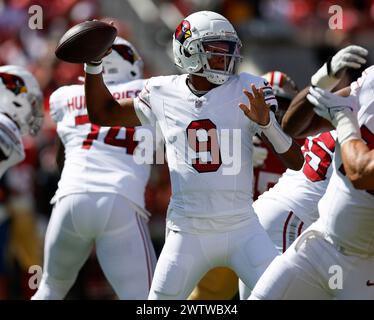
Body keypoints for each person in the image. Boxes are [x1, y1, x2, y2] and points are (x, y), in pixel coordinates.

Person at [83, 11, 304, 300]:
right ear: (188, 52)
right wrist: (94, 64)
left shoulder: (249, 88)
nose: (226, 59)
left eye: (229, 51)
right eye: (216, 52)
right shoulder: (163, 91)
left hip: (242, 227)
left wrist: (267, 126)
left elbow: (296, 162)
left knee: (288, 295)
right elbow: (104, 113)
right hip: (187, 231)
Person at [32, 37, 157, 300]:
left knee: (51, 288)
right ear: (132, 66)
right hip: (120, 200)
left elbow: (60, 160)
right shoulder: (152, 91)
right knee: (146, 300)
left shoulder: (65, 96)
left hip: (69, 197)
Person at [249, 58, 374, 300]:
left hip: (366, 266)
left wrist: (345, 121)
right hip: (320, 242)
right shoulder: (371, 82)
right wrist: (320, 82)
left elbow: (361, 172)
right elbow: (292, 127)